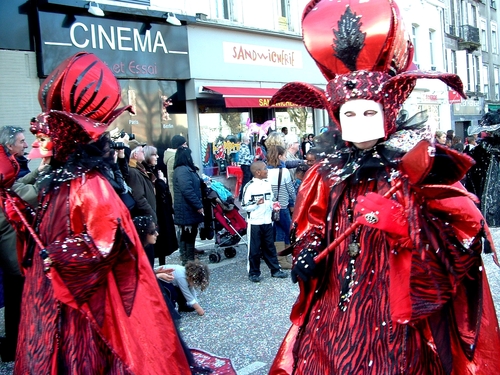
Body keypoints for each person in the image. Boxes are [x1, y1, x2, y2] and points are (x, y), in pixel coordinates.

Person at [268, 1, 500, 373]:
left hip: (394, 314)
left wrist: (407, 225)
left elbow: (462, 243)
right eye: (350, 114)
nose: (359, 123)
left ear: (387, 113)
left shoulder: (417, 168)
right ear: (337, 117)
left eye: (369, 112)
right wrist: (307, 254)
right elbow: (311, 223)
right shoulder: (325, 171)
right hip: (334, 310)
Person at [1, 52, 193, 374]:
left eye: (48, 137)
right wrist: (23, 216)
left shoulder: (88, 184)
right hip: (52, 301)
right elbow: (49, 231)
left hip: (87, 309)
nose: (41, 144)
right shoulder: (59, 182)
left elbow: (105, 244)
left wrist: (60, 254)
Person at [0, 125, 50, 362]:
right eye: (22, 141)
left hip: (11, 230)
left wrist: (39, 171)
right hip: (9, 231)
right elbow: (20, 193)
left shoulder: (9, 164)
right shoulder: (4, 166)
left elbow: (15, 186)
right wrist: (47, 179)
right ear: (10, 144)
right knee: (15, 286)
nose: (26, 144)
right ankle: (13, 344)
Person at [241, 161, 288, 282]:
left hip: (267, 220)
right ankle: (253, 272)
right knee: (254, 249)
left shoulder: (268, 184)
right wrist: (256, 204)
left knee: (270, 247)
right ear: (257, 172)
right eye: (264, 169)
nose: (267, 171)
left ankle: (275, 270)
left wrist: (274, 205)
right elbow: (245, 206)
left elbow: (270, 199)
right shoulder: (249, 186)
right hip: (255, 222)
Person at [143, 145, 178, 264]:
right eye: (154, 154)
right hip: (157, 212)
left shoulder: (154, 170)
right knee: (158, 242)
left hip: (162, 211)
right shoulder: (147, 172)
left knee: (162, 243)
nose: (157, 157)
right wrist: (162, 182)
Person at [173, 146, 204, 265]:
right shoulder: (182, 170)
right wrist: (198, 205)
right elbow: (187, 190)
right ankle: (188, 261)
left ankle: (188, 260)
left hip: (188, 208)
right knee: (188, 235)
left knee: (190, 235)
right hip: (186, 208)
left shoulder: (186, 170)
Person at [267, 146, 296, 269]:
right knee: (289, 231)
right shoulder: (283, 171)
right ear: (279, 156)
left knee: (279, 231)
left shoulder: (266, 171)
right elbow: (290, 190)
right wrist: (295, 202)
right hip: (283, 205)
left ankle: (281, 259)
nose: (285, 158)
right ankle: (286, 257)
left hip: (271, 206)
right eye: (284, 155)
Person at [127, 145, 157, 223]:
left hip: (148, 215)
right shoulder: (133, 171)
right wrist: (151, 214)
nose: (144, 153)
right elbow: (138, 197)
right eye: (142, 151)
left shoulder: (140, 169)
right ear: (135, 155)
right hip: (145, 217)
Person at [163, 134, 187, 203]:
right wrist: (175, 202)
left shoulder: (180, 156)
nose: (186, 147)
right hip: (180, 198)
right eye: (184, 144)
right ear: (179, 146)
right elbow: (171, 181)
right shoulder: (173, 159)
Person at [238, 134, 254, 201]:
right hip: (246, 165)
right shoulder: (244, 147)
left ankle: (246, 195)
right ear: (247, 140)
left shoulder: (243, 146)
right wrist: (253, 157)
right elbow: (246, 157)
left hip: (246, 165)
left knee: (249, 180)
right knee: (246, 181)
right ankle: (242, 196)